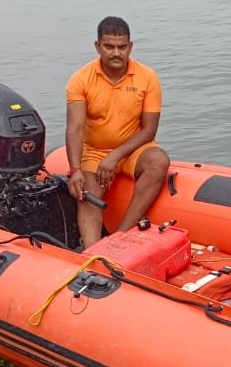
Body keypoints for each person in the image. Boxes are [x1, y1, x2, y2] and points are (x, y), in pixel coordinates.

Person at [65, 16, 171, 248]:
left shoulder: (148, 77)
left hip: (133, 149)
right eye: (109, 47)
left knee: (159, 161)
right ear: (97, 46)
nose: (116, 53)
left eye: (122, 47)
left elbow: (149, 130)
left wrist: (116, 156)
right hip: (94, 152)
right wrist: (75, 169)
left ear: (130, 47)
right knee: (87, 197)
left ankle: (119, 239)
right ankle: (93, 253)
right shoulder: (80, 79)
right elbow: (74, 128)